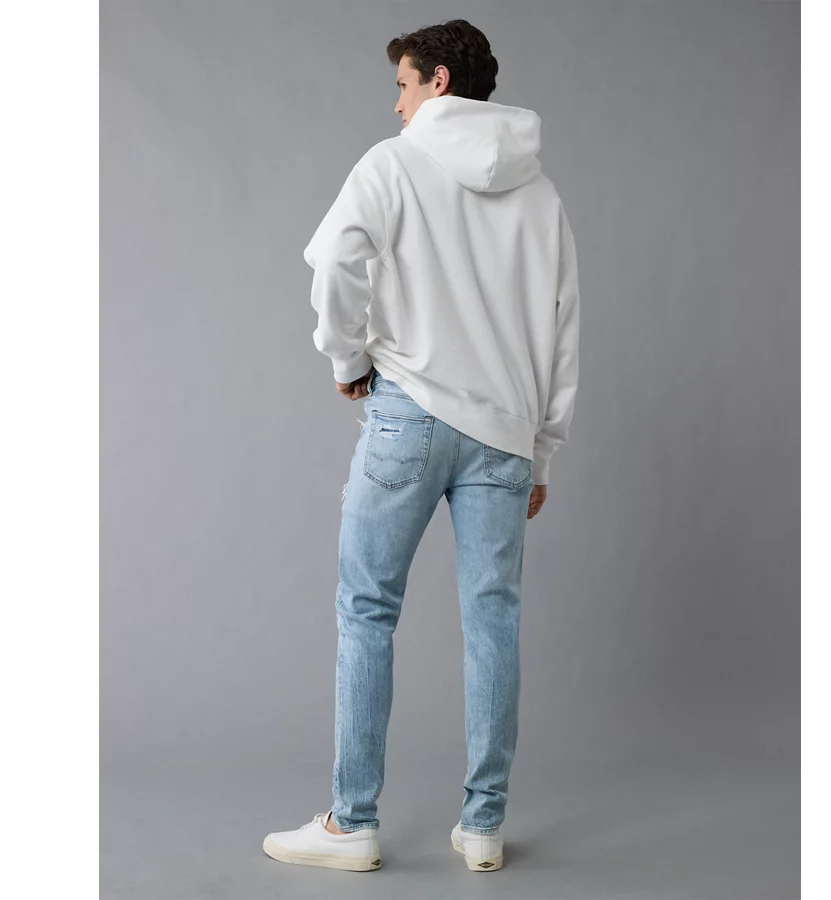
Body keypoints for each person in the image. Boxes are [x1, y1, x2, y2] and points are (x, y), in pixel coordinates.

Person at [263, 18, 580, 873]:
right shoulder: (541, 194)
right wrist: (543, 450)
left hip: (407, 415)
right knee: (493, 623)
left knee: (368, 611)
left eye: (403, 85)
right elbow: (562, 334)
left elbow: (336, 263)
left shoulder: (391, 164)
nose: (396, 104)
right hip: (505, 435)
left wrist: (347, 358)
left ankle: (352, 823)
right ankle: (483, 828)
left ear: (439, 81)